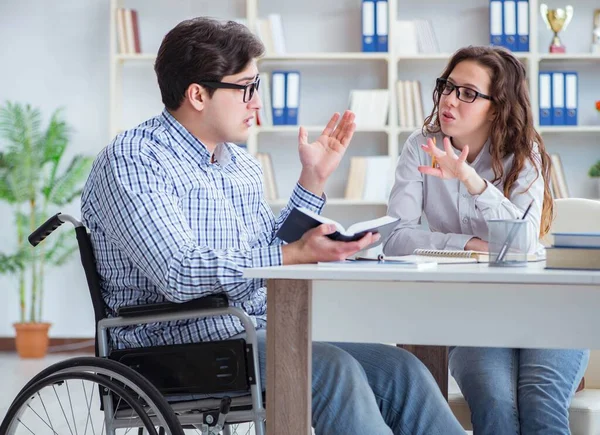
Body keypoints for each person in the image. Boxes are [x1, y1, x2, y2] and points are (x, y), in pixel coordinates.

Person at [81, 17, 465, 435]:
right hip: (171, 347)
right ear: (197, 94)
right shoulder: (134, 160)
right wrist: (294, 253)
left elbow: (267, 244)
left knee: (401, 370)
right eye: (246, 88)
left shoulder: (239, 164)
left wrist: (312, 180)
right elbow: (178, 272)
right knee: (333, 372)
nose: (257, 103)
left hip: (251, 330)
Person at [383, 45, 589, 434]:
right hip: (472, 315)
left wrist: (472, 182)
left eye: (468, 93)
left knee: (540, 402)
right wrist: (470, 245)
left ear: (496, 107)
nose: (449, 100)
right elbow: (395, 238)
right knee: (495, 404)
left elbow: (523, 243)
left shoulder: (523, 154)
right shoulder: (420, 146)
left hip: (548, 313)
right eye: (448, 86)